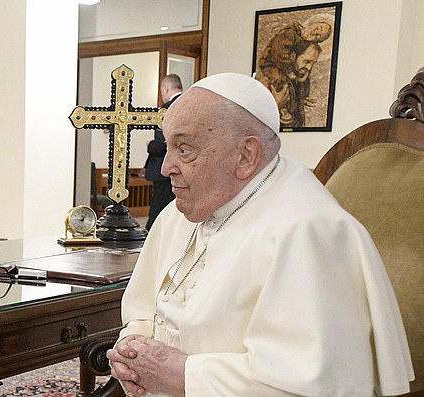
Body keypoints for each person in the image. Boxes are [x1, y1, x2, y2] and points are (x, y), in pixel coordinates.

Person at [107, 73, 414, 396]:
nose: (167, 166)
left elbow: (315, 384)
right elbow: (144, 311)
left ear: (246, 155)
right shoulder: (176, 215)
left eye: (184, 149)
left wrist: (185, 375)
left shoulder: (310, 231)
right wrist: (132, 349)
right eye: (168, 147)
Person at [144, 74, 182, 230]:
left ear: (166, 88)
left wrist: (150, 144)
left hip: (163, 169)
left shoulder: (166, 110)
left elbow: (162, 145)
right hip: (185, 167)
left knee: (159, 210)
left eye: (162, 91)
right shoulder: (188, 105)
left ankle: (149, 240)